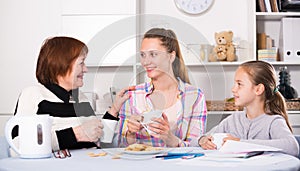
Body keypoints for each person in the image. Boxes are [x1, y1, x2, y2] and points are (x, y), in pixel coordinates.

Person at [13, 36, 130, 151]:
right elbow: (18, 144)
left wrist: (114, 109)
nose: (86, 69)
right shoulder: (33, 95)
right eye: (81, 63)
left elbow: (100, 139)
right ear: (62, 64)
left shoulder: (81, 97)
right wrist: (76, 134)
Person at [117, 28, 207, 147]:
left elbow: (197, 146)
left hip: (179, 165)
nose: (146, 62)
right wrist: (130, 134)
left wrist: (171, 139)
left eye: (153, 54)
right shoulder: (133, 95)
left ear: (171, 56)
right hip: (141, 165)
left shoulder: (195, 96)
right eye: (143, 55)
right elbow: (120, 147)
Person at [198, 60, 299, 157]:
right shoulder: (232, 120)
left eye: (239, 84)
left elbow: (292, 147)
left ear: (258, 89)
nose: (233, 89)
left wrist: (240, 143)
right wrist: (202, 140)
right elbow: (199, 139)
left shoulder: (273, 122)